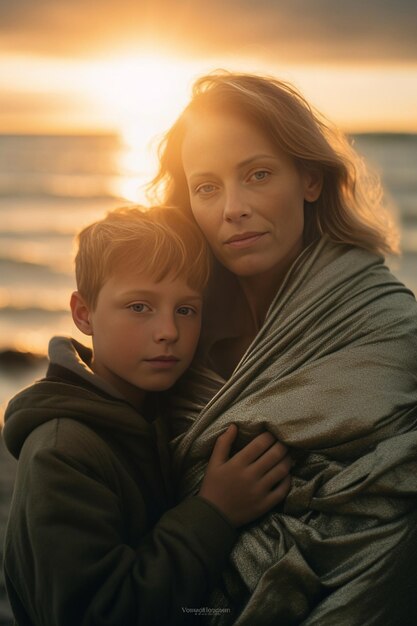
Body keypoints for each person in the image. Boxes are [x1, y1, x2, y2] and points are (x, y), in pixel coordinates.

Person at [147, 71, 417, 625]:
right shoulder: (173, 332)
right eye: (207, 187)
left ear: (310, 179)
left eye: (258, 174)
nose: (232, 209)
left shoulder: (387, 326)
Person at [2, 206, 292, 626]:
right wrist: (214, 512)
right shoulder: (61, 453)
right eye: (140, 307)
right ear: (83, 313)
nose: (168, 331)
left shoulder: (163, 414)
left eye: (186, 309)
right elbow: (103, 614)